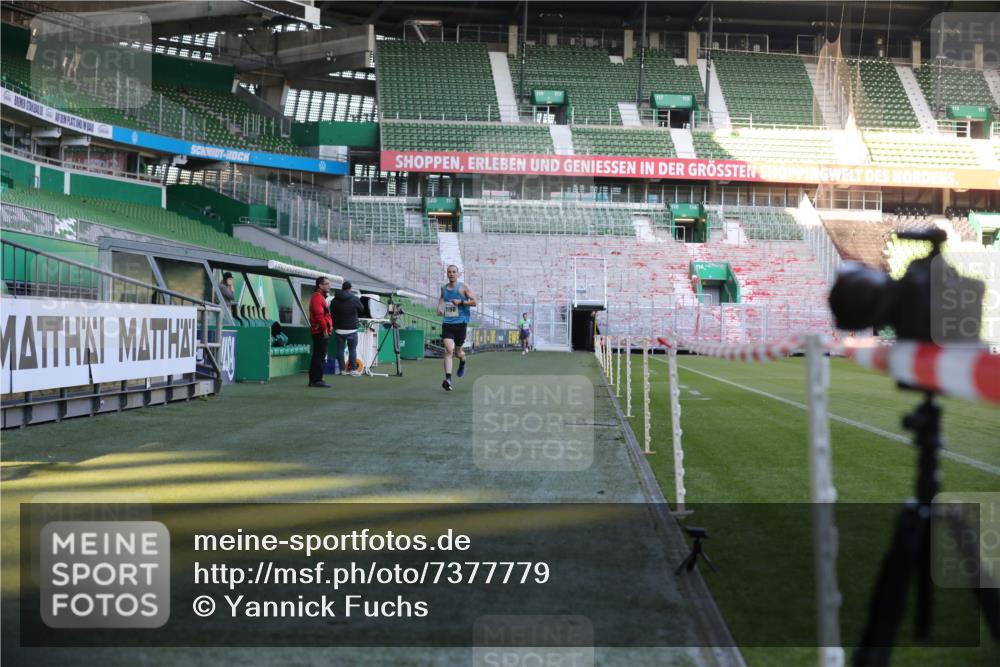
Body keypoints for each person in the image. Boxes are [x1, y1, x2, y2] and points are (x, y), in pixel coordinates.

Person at [437, 264, 476, 391]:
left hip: (461, 324)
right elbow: (442, 297)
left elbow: (475, 302)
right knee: (448, 350)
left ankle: (463, 362)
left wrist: (462, 302)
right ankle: (448, 379)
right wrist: (440, 307)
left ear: (458, 274)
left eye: (454, 272)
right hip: (447, 323)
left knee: (458, 352)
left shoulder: (463, 287)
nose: (451, 274)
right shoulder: (443, 288)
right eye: (449, 272)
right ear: (447, 274)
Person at [330, 280, 365, 376]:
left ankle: (342, 370)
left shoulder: (334, 300)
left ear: (342, 288)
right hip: (352, 328)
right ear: (350, 289)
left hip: (339, 329)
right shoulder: (354, 298)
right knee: (352, 350)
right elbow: (362, 309)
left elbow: (331, 312)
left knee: (340, 349)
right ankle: (353, 369)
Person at [308, 276, 333, 387]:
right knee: (319, 356)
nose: (329, 286)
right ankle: (317, 380)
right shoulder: (318, 297)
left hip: (319, 330)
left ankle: (314, 379)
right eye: (326, 284)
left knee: (318, 356)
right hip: (320, 331)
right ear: (320, 285)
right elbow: (319, 316)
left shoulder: (319, 297)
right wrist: (324, 329)